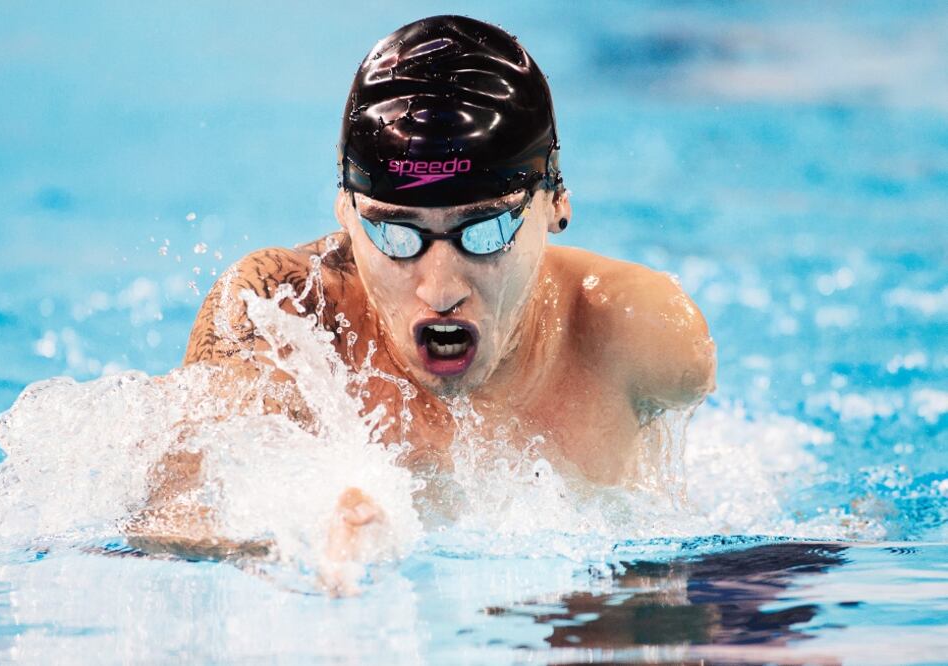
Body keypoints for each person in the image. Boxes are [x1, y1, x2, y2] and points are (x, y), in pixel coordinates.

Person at [131, 15, 716, 587]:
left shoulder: (639, 336)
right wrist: (295, 535)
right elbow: (172, 515)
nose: (440, 289)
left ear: (556, 203)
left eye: (485, 232)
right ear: (345, 211)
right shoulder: (280, 311)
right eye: (396, 234)